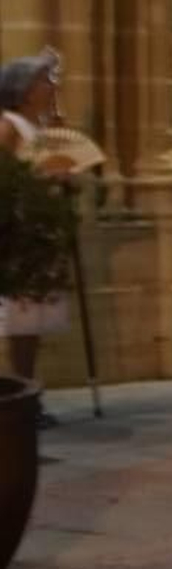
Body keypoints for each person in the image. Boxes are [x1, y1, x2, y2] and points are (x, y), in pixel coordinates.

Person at [0, 51, 74, 422]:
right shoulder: (9, 125)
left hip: (40, 229)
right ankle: (19, 398)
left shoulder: (39, 129)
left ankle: (28, 394)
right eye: (45, 81)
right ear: (26, 90)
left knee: (33, 323)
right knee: (19, 320)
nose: (51, 88)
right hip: (19, 231)